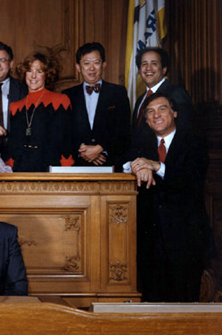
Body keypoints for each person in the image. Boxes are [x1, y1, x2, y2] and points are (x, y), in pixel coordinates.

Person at [123, 93, 214, 302]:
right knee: (153, 305)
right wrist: (137, 166)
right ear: (146, 119)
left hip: (186, 238)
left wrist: (157, 166)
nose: (156, 115)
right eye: (150, 112)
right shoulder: (141, 143)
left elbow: (192, 179)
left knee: (185, 304)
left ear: (174, 113)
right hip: (151, 241)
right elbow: (122, 163)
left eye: (162, 109)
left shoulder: (194, 141)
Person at [63, 42, 131, 166]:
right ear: (78, 67)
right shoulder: (67, 95)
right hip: (78, 164)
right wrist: (83, 150)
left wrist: (100, 148)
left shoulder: (118, 92)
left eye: (96, 62)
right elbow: (64, 131)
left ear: (104, 65)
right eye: (86, 63)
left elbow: (124, 129)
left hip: (110, 163)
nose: (92, 68)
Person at [5, 52, 74, 172]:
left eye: (39, 71)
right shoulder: (15, 107)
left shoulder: (60, 100)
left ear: (47, 75)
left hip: (50, 168)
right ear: (24, 73)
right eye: (30, 71)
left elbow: (66, 141)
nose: (33, 76)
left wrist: (65, 170)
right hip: (21, 170)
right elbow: (13, 145)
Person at [132, 47, 193, 140]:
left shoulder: (177, 94)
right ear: (140, 71)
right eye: (144, 64)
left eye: (154, 63)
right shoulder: (140, 100)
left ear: (164, 69)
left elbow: (185, 132)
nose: (148, 68)